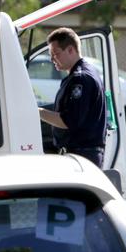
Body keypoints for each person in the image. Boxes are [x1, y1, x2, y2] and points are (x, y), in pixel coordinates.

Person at [38, 27, 106, 168]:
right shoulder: (80, 75)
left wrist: (35, 112)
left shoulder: (80, 78)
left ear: (70, 50)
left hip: (82, 156)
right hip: (82, 154)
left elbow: (68, 120)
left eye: (55, 54)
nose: (52, 59)